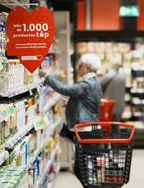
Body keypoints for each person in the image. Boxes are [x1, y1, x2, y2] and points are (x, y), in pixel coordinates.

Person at [39, 53, 102, 187]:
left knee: (82, 168)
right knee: (84, 167)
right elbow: (87, 102)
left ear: (87, 67)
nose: (78, 68)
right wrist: (71, 104)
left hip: (86, 130)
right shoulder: (93, 83)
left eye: (80, 65)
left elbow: (64, 89)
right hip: (89, 129)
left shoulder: (87, 84)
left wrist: (47, 77)